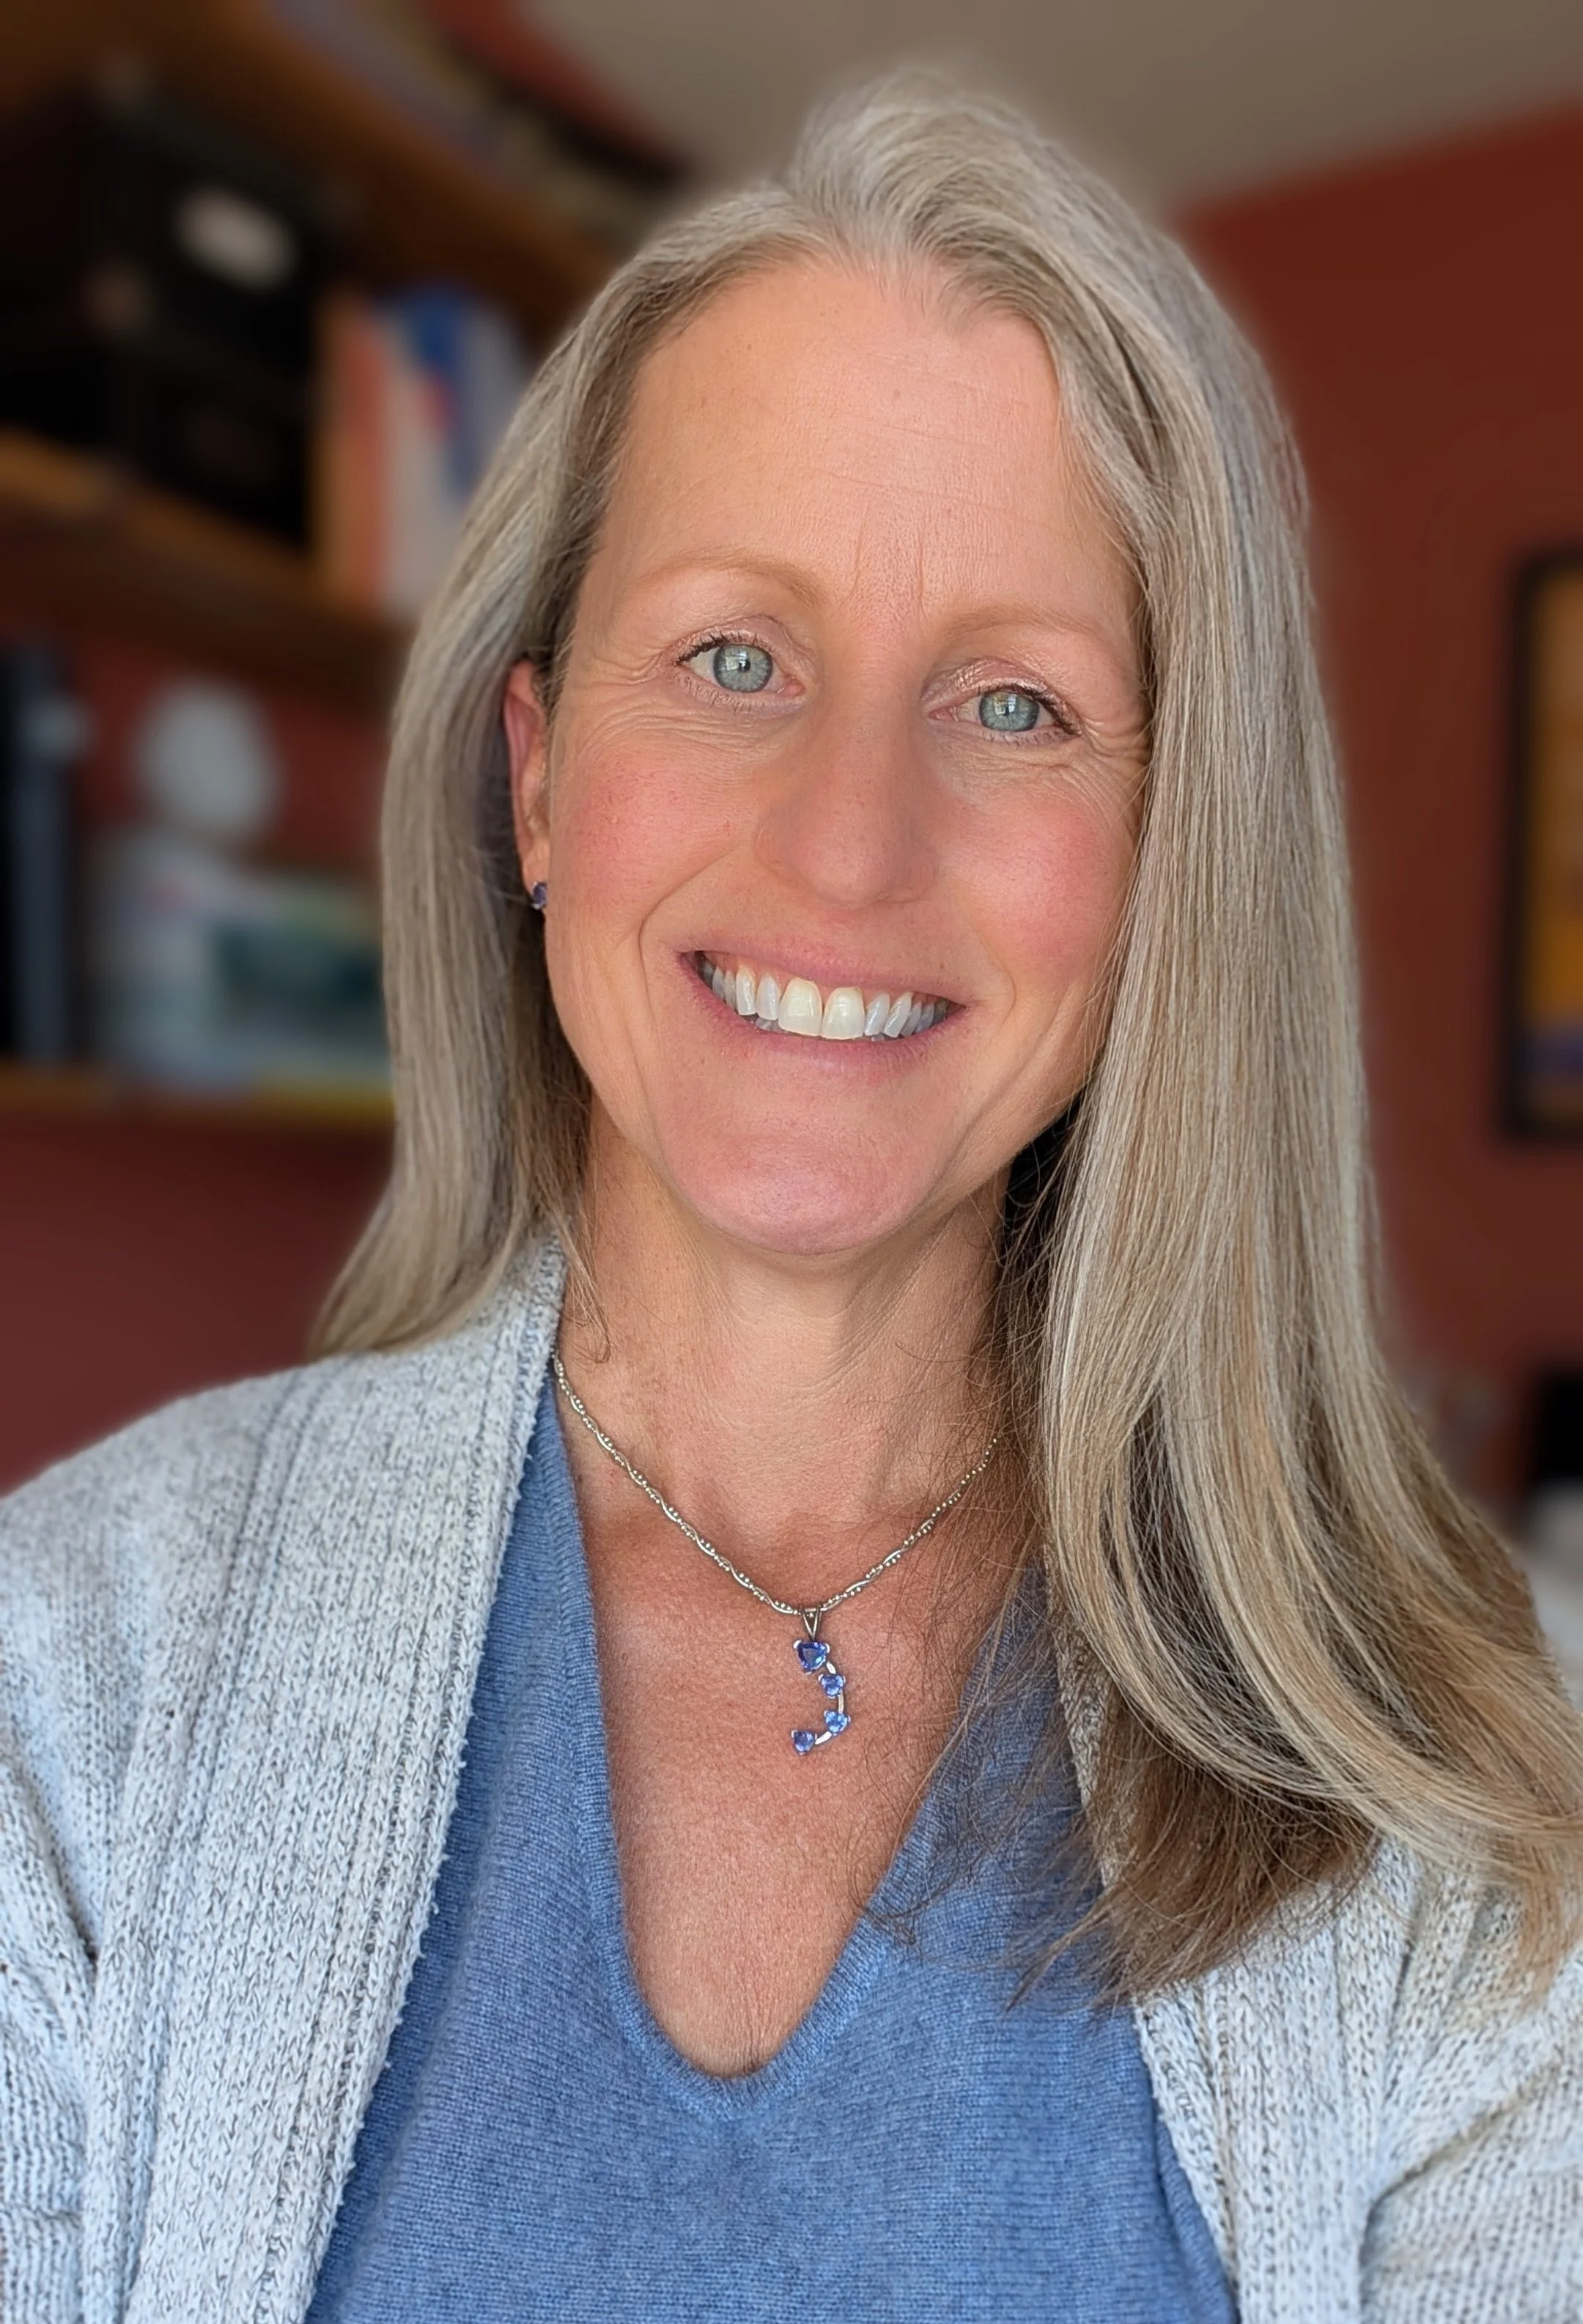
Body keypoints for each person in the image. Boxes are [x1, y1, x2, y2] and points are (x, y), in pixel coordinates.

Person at [2, 70, 1580, 2324]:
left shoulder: (1464, 1796)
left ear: (1166, 869)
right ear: (540, 782)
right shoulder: (69, 1684)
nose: (851, 843)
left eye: (1017, 704)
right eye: (734, 656)